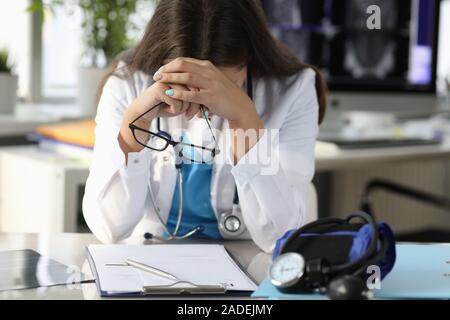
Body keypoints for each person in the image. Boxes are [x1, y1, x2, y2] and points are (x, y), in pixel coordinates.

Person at [82, 0, 327, 253]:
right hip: (151, 260)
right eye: (187, 88)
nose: (199, 108)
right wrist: (134, 127)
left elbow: (281, 236)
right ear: (161, 64)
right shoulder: (127, 85)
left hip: (252, 261)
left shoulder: (293, 90)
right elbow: (108, 228)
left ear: (249, 60)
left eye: (223, 86)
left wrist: (245, 119)